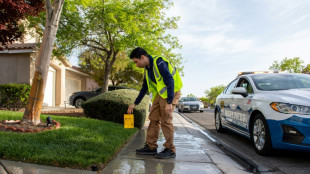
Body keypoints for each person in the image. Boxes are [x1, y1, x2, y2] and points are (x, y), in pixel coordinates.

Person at [127, 47, 182, 159]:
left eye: (136, 62)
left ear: (142, 57)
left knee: (166, 120)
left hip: (171, 91)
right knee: (153, 118)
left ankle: (170, 149)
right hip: (160, 94)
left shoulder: (158, 62)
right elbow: (144, 88)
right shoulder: (147, 69)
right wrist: (134, 104)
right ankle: (151, 147)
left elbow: (170, 80)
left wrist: (169, 102)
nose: (136, 65)